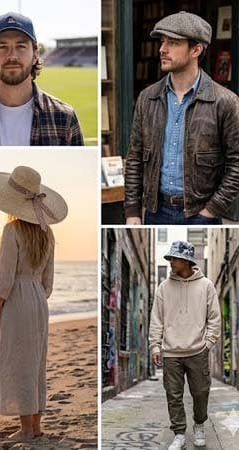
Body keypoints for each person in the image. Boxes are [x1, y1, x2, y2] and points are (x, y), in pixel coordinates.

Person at [0, 165, 68, 441]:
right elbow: (48, 282)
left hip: (16, 300)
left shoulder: (11, 230)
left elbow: (5, 275)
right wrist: (36, 295)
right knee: (36, 363)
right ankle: (35, 426)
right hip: (38, 300)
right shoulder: (46, 233)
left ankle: (26, 430)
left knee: (18, 364)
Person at [124, 11, 239, 225]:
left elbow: (237, 163)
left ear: (196, 49)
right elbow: (135, 158)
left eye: (173, 43)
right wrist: (132, 211)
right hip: (155, 212)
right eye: (162, 41)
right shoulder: (147, 97)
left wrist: (212, 210)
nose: (162, 49)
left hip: (201, 214)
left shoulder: (225, 101)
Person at [0, 12, 83, 146]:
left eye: (21, 46)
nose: (12, 56)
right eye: (2, 47)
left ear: (35, 55)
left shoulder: (65, 117)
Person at [149, 241, 220, 450]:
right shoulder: (163, 287)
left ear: (187, 261)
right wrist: (155, 346)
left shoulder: (206, 285)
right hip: (171, 352)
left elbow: (214, 318)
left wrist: (208, 343)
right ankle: (179, 433)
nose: (171, 262)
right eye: (170, 258)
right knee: (173, 395)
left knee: (200, 392)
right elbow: (157, 319)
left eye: (174, 258)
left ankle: (199, 425)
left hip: (198, 351)